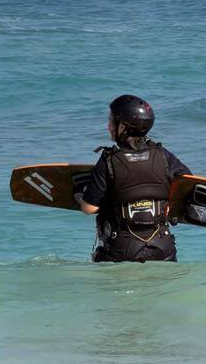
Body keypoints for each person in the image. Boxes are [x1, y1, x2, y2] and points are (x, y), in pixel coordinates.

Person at [77, 95, 190, 263]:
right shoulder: (163, 155)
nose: (108, 127)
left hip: (121, 250)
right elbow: (187, 184)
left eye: (111, 121)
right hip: (163, 247)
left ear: (123, 127)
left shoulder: (109, 160)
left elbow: (89, 208)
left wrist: (81, 196)